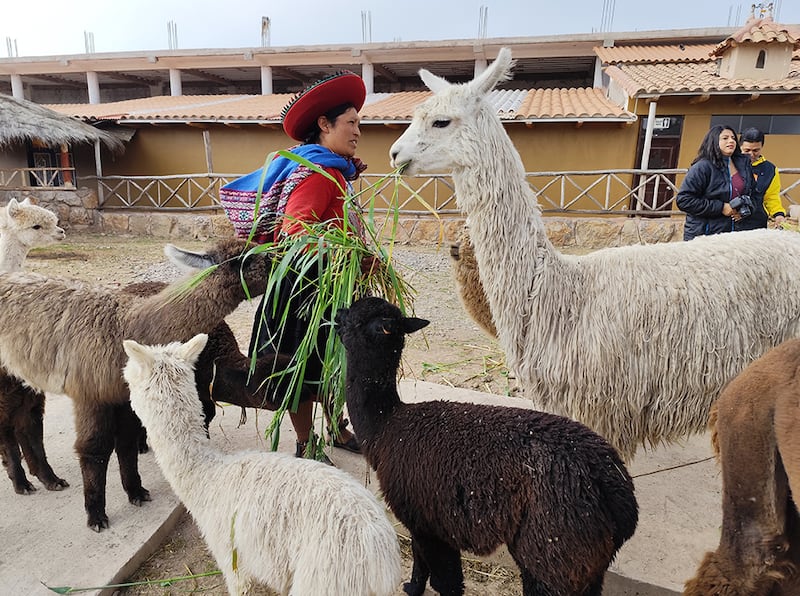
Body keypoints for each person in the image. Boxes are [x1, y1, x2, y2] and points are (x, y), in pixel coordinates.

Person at [225, 71, 367, 460]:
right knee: (300, 371)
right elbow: (295, 231)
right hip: (306, 291)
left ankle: (336, 429)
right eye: (351, 123)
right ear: (324, 124)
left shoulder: (333, 169)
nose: (358, 131)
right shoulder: (319, 175)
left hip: (327, 285)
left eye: (359, 123)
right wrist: (347, 251)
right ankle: (307, 444)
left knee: (332, 363)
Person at [676, 124, 758, 241]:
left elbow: (754, 195)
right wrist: (721, 208)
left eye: (733, 138)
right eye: (725, 138)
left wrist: (746, 210)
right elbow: (684, 200)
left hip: (736, 234)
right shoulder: (702, 167)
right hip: (704, 235)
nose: (731, 141)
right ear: (714, 141)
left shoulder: (744, 165)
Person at [739, 127, 785, 228]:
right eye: (747, 150)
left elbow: (772, 197)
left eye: (756, 150)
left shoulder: (770, 169)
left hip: (757, 223)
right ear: (740, 146)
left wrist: (779, 215)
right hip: (731, 222)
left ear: (762, 147)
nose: (751, 154)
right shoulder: (731, 164)